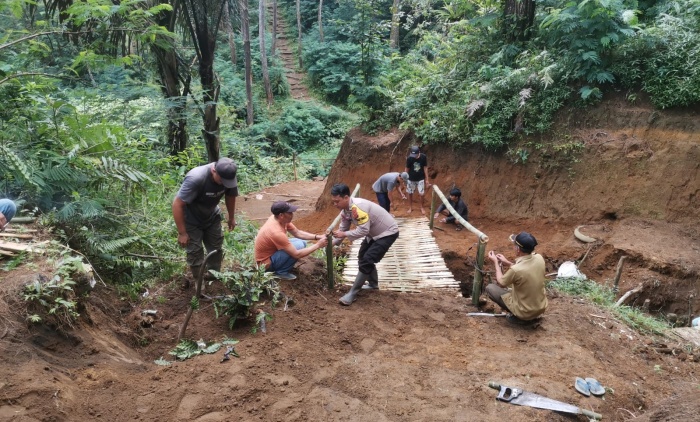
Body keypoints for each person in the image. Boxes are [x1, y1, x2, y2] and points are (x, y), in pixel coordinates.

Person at [172, 157, 239, 285]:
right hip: (191, 219)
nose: (224, 184)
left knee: (216, 246)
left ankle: (214, 276)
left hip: (211, 215)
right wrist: (182, 233)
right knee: (195, 251)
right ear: (214, 170)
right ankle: (199, 282)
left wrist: (231, 217)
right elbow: (177, 204)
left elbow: (230, 195)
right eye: (222, 181)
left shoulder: (229, 177)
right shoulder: (196, 178)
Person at [330, 183, 399, 305]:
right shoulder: (345, 211)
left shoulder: (358, 208)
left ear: (346, 197)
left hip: (387, 233)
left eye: (337, 201)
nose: (335, 205)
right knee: (362, 256)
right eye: (333, 202)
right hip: (374, 234)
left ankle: (352, 293)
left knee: (368, 259)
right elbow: (342, 231)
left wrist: (344, 235)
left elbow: (363, 230)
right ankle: (373, 284)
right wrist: (327, 244)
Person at [254, 201, 328, 280]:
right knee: (299, 246)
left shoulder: (279, 219)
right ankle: (281, 272)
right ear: (281, 215)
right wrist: (318, 245)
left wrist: (318, 237)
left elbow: (297, 233)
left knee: (301, 242)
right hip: (265, 265)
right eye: (289, 213)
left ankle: (281, 265)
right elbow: (297, 254)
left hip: (272, 254)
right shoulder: (276, 232)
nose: (292, 215)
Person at [486, 232, 548, 325]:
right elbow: (525, 268)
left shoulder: (515, 270)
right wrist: (507, 262)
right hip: (540, 307)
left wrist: (495, 262)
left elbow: (501, 283)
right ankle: (529, 315)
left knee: (490, 288)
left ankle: (519, 318)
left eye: (514, 245)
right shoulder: (539, 258)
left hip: (525, 312)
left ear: (518, 249)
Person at [404, 145, 431, 215]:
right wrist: (405, 179)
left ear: (419, 152)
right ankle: (410, 207)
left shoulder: (423, 157)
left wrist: (427, 179)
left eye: (415, 155)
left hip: (420, 178)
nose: (414, 156)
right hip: (411, 179)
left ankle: (422, 207)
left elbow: (425, 168)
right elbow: (406, 169)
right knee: (410, 193)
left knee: (421, 194)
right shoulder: (409, 158)